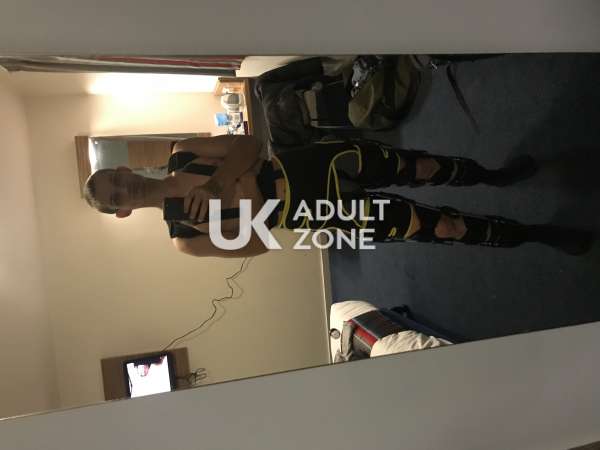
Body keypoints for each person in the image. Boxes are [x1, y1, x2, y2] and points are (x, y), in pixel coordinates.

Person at [83, 134, 594, 258]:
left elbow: (249, 145)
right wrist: (242, 207)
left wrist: (219, 184)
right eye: (115, 196)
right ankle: (536, 234)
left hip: (308, 164)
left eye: (115, 178)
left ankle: (495, 177)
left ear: (124, 168)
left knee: (421, 166)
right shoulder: (184, 237)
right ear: (121, 211)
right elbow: (259, 245)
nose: (123, 187)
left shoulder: (183, 153)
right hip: (312, 211)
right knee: (440, 228)